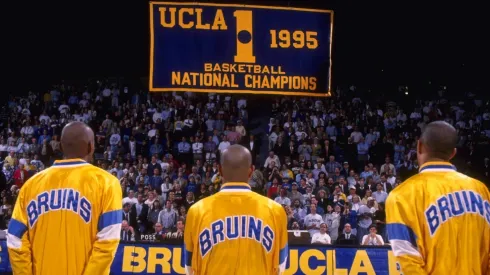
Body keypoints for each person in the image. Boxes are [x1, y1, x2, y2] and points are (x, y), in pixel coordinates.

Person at [7, 121, 123, 275]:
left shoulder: (31, 185)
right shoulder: (107, 182)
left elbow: (15, 239)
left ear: (61, 147)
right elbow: (108, 240)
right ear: (91, 147)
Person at [386, 121, 490, 274]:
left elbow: (408, 258)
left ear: (419, 146)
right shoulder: (481, 191)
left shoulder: (401, 195)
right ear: (453, 153)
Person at [184, 144, 288, 275]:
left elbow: (189, 267)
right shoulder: (275, 210)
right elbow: (281, 266)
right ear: (251, 171)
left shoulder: (197, 210)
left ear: (220, 171)